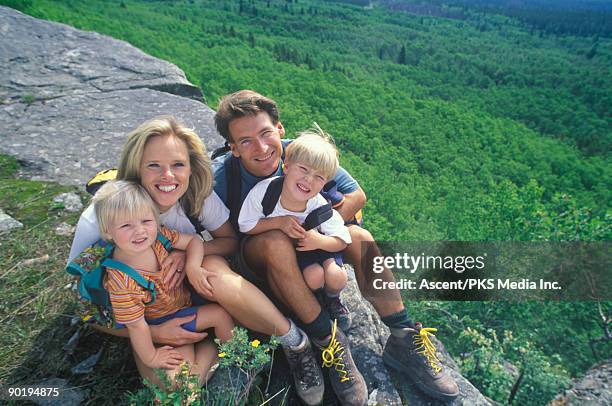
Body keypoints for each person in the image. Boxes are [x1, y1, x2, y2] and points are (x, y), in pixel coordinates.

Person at [212, 90, 459, 401]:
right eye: (245, 141)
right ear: (232, 148)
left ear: (280, 129)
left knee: (362, 238)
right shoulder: (222, 178)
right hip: (262, 259)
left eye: (265, 133)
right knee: (276, 242)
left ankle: (403, 334)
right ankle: (329, 342)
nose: (261, 148)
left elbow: (357, 195)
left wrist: (316, 226)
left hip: (312, 250)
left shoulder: (301, 157)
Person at [69, 116, 324, 404]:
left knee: (212, 268)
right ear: (136, 167)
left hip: (197, 292)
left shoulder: (195, 196)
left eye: (178, 165)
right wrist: (153, 332)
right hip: (146, 315)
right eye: (154, 165)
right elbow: (85, 310)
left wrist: (186, 257)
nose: (168, 176)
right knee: (171, 389)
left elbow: (230, 242)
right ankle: (218, 362)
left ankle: (294, 343)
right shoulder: (103, 217)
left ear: (190, 167)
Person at [92, 180, 234, 385]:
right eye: (126, 225)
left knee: (220, 315)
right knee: (178, 384)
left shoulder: (158, 236)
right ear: (107, 231)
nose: (139, 231)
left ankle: (235, 353)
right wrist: (152, 357)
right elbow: (137, 327)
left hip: (183, 310)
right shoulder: (120, 281)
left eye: (146, 221)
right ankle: (209, 351)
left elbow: (194, 241)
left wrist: (192, 266)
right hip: (159, 326)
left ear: (156, 220)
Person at [238, 126, 352, 331]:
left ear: (325, 182)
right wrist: (279, 223)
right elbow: (245, 225)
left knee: (337, 276)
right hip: (290, 255)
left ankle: (332, 300)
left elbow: (342, 239)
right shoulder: (266, 193)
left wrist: (319, 241)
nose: (309, 180)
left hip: (316, 247)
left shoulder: (319, 205)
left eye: (319, 177)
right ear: (287, 166)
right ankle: (314, 301)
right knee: (314, 276)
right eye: (304, 169)